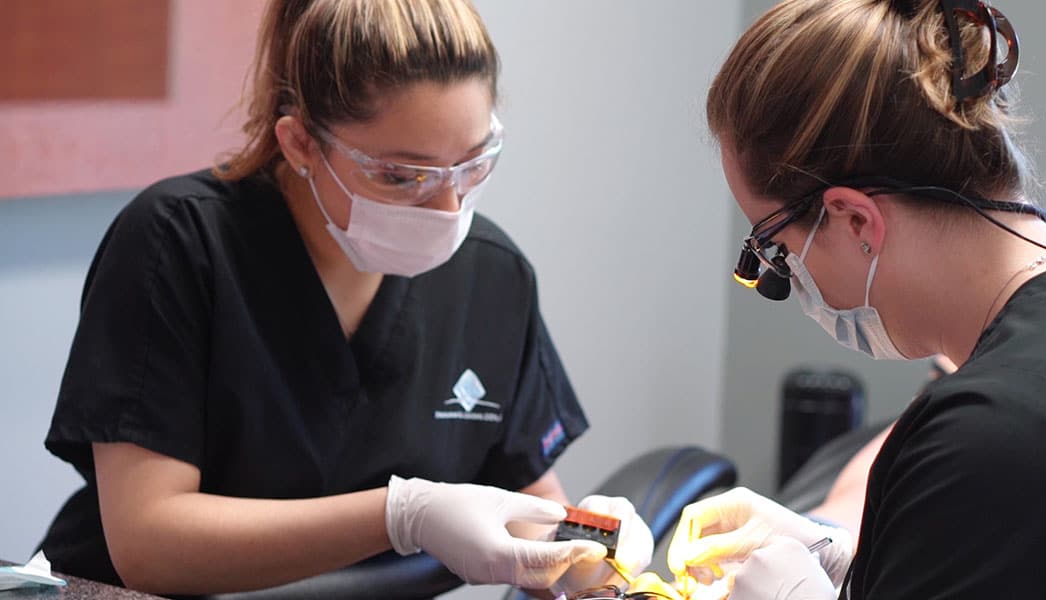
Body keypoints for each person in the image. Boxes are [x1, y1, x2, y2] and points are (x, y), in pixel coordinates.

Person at [37, 0, 651, 596]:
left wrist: (587, 551)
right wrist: (401, 514)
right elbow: (149, 543)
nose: (448, 207)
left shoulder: (493, 275)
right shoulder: (179, 243)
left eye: (472, 164)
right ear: (301, 142)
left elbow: (529, 505)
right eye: (400, 175)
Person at [667, 0, 1046, 599]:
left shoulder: (998, 435)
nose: (787, 276)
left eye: (776, 247)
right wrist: (859, 564)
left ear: (853, 220)